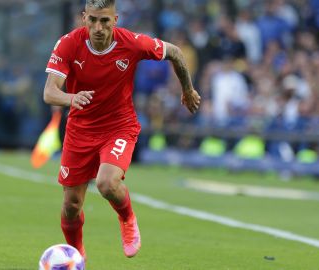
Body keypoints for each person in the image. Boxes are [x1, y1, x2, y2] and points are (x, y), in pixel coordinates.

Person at [42, 0, 201, 259]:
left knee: (106, 183)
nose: (98, 27)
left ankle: (127, 219)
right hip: (80, 130)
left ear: (115, 20)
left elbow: (174, 52)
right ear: (84, 18)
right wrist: (72, 98)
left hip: (119, 126)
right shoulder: (69, 43)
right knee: (71, 205)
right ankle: (77, 255)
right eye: (92, 19)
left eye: (104, 21)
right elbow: (49, 92)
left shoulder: (132, 43)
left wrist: (187, 89)